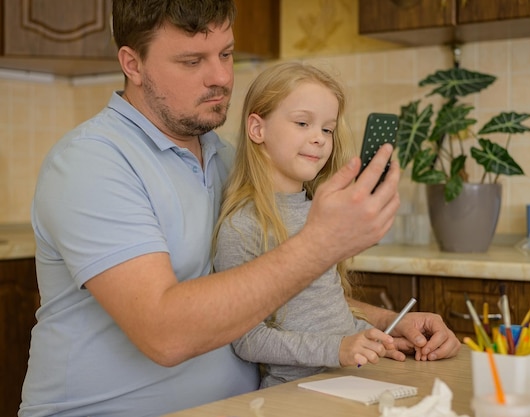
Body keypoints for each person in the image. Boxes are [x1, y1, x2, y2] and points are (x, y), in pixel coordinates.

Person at [20, 1, 460, 416]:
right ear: (132, 64)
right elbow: (164, 333)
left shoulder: (229, 159)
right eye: (192, 61)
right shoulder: (91, 162)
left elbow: (279, 296)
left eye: (226, 54)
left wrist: (387, 322)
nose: (220, 77)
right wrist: (322, 241)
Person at [213, 61, 404, 388]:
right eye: (303, 123)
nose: (319, 139)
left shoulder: (321, 212)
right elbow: (247, 340)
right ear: (258, 129)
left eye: (327, 129)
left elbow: (324, 312)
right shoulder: (244, 225)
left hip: (349, 380)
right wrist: (338, 349)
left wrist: (376, 338)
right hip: (294, 395)